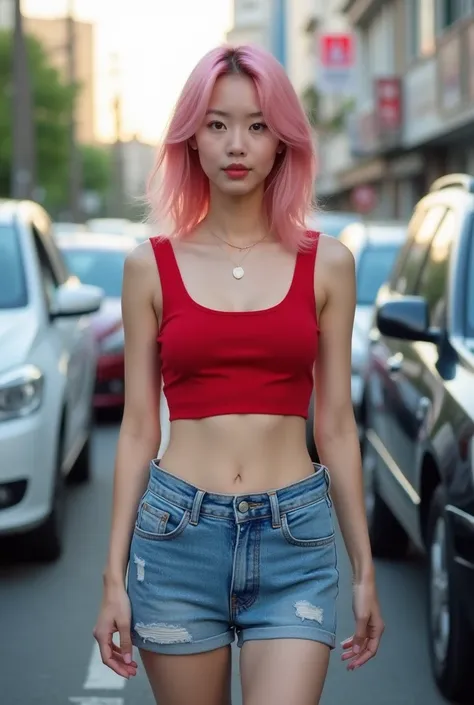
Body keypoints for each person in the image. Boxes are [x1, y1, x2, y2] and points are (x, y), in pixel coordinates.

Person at [93, 43, 385, 705]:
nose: (237, 143)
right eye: (217, 123)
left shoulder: (329, 264)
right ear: (190, 139)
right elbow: (138, 429)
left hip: (295, 539)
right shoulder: (149, 267)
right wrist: (112, 576)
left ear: (282, 143)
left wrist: (366, 567)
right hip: (177, 539)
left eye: (257, 125)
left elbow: (337, 426)